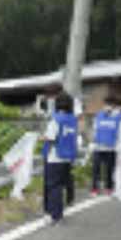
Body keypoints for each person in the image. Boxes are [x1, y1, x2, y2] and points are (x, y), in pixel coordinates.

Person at [42, 91, 78, 224]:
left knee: (53, 186)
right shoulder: (72, 119)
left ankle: (55, 215)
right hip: (67, 157)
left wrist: (40, 137)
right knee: (60, 185)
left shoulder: (56, 119)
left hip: (55, 157)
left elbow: (51, 137)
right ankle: (59, 212)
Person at [89, 96, 121, 194]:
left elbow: (120, 133)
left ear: (113, 106)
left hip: (111, 148)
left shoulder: (117, 118)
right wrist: (92, 143)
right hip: (98, 147)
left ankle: (109, 188)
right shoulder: (98, 116)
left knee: (109, 170)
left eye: (110, 105)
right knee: (96, 169)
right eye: (106, 105)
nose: (108, 107)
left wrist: (119, 147)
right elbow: (94, 131)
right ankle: (95, 188)